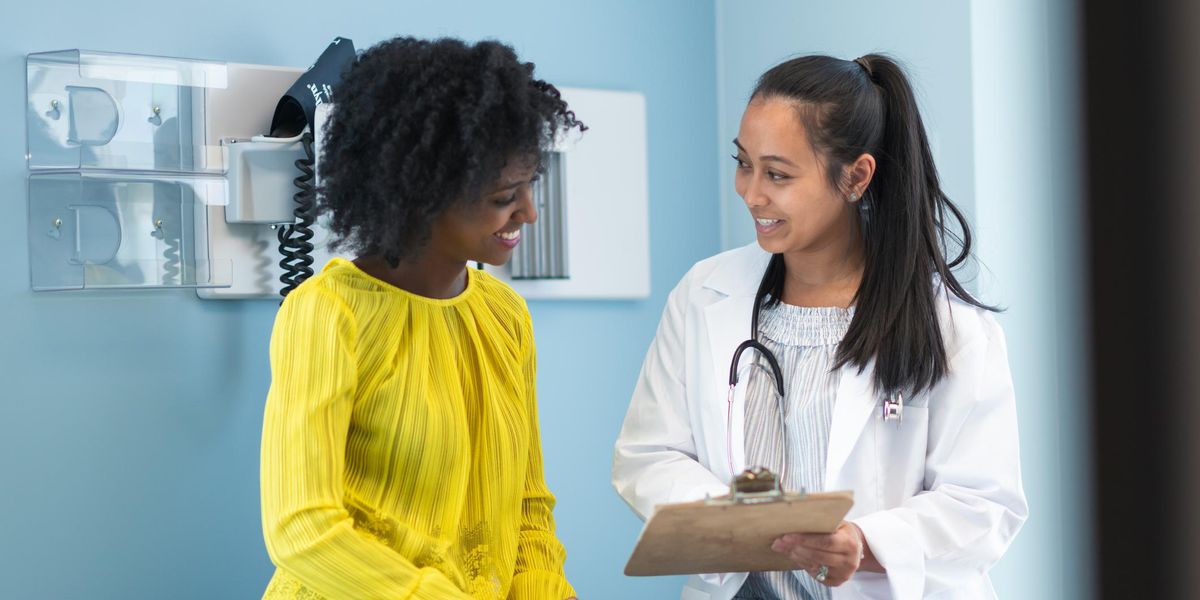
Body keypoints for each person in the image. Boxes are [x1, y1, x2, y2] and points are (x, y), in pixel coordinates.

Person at [612, 54, 1027, 600]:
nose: (751, 193)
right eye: (743, 163)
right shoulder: (704, 294)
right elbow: (649, 454)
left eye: (778, 174)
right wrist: (737, 523)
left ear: (856, 177)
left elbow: (984, 503)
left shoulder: (949, 326)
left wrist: (865, 542)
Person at [260, 36, 583, 600]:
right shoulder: (328, 314)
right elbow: (303, 531)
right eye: (504, 196)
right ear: (422, 193)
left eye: (529, 187)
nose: (529, 213)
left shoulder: (505, 315)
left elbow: (528, 510)